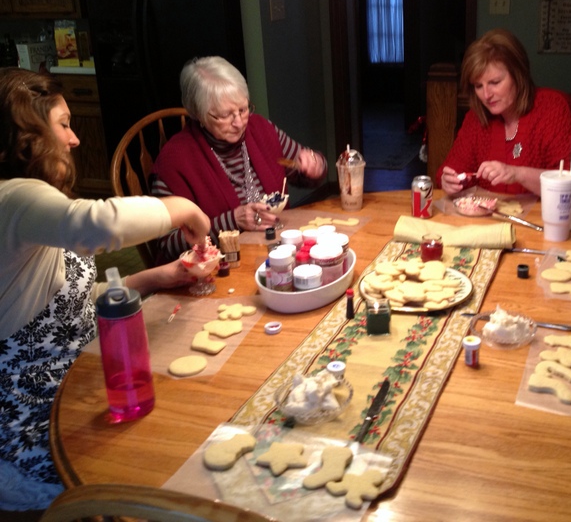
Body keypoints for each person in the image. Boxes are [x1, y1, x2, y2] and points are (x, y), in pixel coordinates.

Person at [0, 68, 211, 516]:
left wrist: (160, 275)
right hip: (36, 433)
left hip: (83, 393)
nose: (74, 139)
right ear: (27, 136)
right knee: (176, 462)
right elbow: (99, 224)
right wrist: (183, 208)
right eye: (63, 124)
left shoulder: (29, 207)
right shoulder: (10, 200)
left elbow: (66, 301)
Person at [150, 56, 328, 262]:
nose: (239, 122)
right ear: (198, 114)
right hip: (221, 268)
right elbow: (166, 245)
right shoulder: (174, 162)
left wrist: (316, 165)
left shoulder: (260, 129)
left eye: (243, 109)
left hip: (278, 253)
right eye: (225, 115)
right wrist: (230, 221)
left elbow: (305, 173)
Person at [436, 28, 571, 196]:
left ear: (518, 75)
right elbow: (452, 170)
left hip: (545, 218)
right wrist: (448, 181)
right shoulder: (475, 118)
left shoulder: (556, 109)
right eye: (478, 86)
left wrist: (517, 174)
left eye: (495, 82)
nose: (486, 95)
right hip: (489, 220)